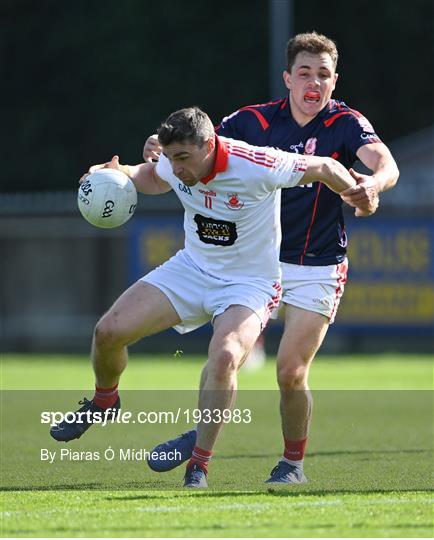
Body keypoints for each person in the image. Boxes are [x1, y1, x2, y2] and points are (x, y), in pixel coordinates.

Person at [50, 106, 365, 488]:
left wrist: (359, 195)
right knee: (108, 332)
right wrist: (120, 174)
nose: (177, 167)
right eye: (171, 158)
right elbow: (152, 175)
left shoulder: (256, 163)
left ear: (209, 144)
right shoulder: (175, 161)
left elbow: (323, 168)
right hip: (191, 269)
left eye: (183, 158)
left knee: (227, 356)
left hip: (249, 284)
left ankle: (198, 464)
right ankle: (104, 401)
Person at [143, 33, 399, 484]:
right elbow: (198, 145)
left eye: (323, 74)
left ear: (334, 81)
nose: (313, 82)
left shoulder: (345, 124)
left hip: (318, 265)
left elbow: (385, 163)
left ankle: (292, 464)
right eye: (305, 73)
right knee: (227, 358)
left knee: (290, 371)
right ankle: (201, 444)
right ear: (288, 78)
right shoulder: (253, 121)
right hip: (257, 266)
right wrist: (160, 149)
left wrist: (373, 186)